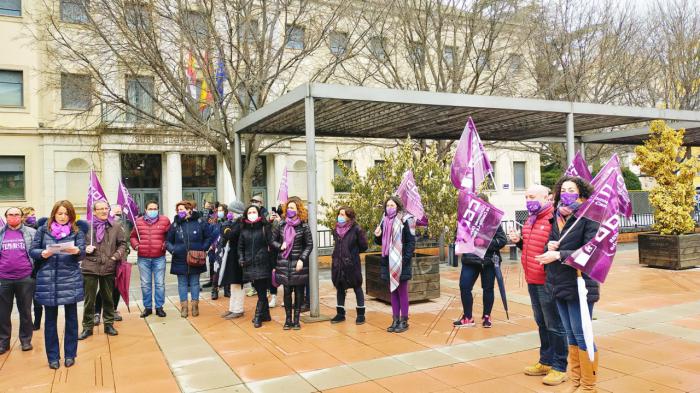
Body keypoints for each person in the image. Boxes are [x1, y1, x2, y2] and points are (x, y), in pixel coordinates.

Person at [535, 176, 600, 393]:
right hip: (558, 282)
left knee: (582, 334)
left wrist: (559, 254)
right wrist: (550, 245)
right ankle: (576, 382)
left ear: (581, 192)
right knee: (571, 335)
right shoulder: (558, 216)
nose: (566, 193)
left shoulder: (589, 217)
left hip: (580, 283)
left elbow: (592, 252)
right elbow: (551, 246)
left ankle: (589, 386)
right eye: (563, 189)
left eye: (571, 189)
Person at [509, 185, 568, 386]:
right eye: (526, 197)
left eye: (532, 196)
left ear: (547, 198)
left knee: (555, 325)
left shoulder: (555, 219)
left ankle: (559, 366)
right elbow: (530, 246)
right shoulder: (530, 219)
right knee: (542, 322)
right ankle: (546, 360)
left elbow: (558, 247)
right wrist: (519, 242)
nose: (528, 200)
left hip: (548, 281)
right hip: (532, 279)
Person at [30, 200, 85, 369]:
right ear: (54, 214)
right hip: (48, 280)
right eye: (60, 213)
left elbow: (82, 253)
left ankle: (70, 354)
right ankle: (53, 357)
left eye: (66, 213)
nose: (62, 217)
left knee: (71, 319)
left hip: (70, 279)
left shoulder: (77, 231)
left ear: (71, 215)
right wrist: (43, 253)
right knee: (50, 321)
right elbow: (32, 250)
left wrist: (77, 251)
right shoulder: (42, 230)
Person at [452, 193, 507, 329]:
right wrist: (463, 240)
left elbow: (502, 240)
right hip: (470, 260)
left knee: (488, 289)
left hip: (488, 261)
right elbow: (458, 237)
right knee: (464, 286)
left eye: (482, 203)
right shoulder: (466, 220)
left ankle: (486, 316)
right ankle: (468, 317)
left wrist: (485, 242)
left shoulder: (494, 220)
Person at [78, 201, 127, 340]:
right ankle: (87, 327)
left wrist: (115, 257)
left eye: (106, 208)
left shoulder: (115, 225)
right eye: (100, 209)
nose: (104, 211)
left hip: (109, 266)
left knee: (108, 298)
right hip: (90, 267)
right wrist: (85, 248)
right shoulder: (86, 226)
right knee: (89, 300)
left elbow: (123, 244)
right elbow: (79, 243)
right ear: (94, 212)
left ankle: (109, 324)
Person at [374, 196, 416, 333]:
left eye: (392, 205)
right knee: (393, 291)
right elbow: (380, 242)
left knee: (402, 291)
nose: (389, 207)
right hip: (388, 260)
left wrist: (405, 258)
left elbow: (411, 242)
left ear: (397, 206)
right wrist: (377, 235)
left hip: (400, 261)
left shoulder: (405, 220)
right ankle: (395, 319)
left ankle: (404, 321)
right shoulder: (384, 221)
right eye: (387, 205)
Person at [271, 196, 313, 330]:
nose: (290, 210)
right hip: (284, 264)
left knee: (299, 293)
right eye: (288, 207)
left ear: (298, 209)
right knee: (287, 292)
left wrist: (302, 259)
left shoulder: (304, 226)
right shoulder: (281, 224)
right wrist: (280, 245)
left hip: (298, 264)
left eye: (292, 208)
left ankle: (296, 320)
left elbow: (309, 245)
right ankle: (288, 320)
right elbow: (272, 241)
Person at [0, 207, 37, 354]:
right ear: (6, 217)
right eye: (10, 215)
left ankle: (26, 340)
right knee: (2, 313)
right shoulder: (1, 234)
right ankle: (3, 342)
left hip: (26, 278)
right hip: (4, 278)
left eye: (17, 215)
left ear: (22, 217)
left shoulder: (31, 233)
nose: (13, 217)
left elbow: (36, 253)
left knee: (26, 311)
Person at [166, 200, 212, 318]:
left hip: (196, 258)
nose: (180, 212)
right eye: (178, 210)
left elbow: (208, 237)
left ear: (189, 209)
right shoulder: (175, 224)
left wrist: (203, 248)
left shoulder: (200, 222)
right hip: (179, 258)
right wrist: (173, 250)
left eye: (182, 209)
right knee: (182, 284)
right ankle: (184, 307)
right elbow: (168, 241)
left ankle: (195, 306)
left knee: (195, 283)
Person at [131, 200, 171, 318]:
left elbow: (170, 236)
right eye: (150, 209)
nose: (153, 211)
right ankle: (147, 307)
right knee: (145, 284)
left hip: (159, 257)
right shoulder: (138, 221)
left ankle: (159, 307)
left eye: (155, 209)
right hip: (143, 258)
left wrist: (165, 245)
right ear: (145, 210)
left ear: (158, 210)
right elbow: (133, 236)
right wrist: (136, 246)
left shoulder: (165, 220)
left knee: (159, 284)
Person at [330, 206, 369, 325]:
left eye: (343, 214)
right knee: (340, 287)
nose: (340, 216)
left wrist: (352, 254)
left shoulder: (356, 229)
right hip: (338, 263)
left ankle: (361, 314)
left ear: (349, 216)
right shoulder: (335, 229)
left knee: (357, 286)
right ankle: (340, 313)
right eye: (339, 214)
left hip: (352, 264)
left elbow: (364, 246)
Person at [238, 204, 274, 328]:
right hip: (249, 264)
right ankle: (266, 315)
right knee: (260, 290)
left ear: (259, 213)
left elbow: (272, 242)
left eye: (254, 212)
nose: (252, 214)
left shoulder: (265, 227)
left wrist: (282, 245)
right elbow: (240, 247)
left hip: (263, 263)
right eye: (249, 212)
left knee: (261, 291)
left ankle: (258, 316)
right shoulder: (244, 230)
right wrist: (241, 259)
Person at [94, 205, 126, 324]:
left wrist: (118, 256)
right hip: (105, 261)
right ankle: (97, 312)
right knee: (104, 289)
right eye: (116, 213)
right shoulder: (104, 225)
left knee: (117, 287)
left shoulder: (120, 225)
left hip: (119, 260)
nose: (118, 216)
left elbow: (123, 243)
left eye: (120, 213)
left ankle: (113, 309)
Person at [219, 201, 246, 319]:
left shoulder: (240, 223)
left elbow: (230, 235)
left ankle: (238, 309)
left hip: (238, 257)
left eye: (231, 211)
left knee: (238, 284)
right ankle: (232, 308)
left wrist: (225, 227)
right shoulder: (235, 222)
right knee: (233, 284)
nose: (229, 213)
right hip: (232, 256)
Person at [21, 207, 42, 330]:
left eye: (34, 214)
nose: (33, 217)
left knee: (37, 299)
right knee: (25, 300)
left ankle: (37, 322)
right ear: (23, 216)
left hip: (36, 268)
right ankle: (27, 321)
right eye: (30, 215)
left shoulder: (38, 229)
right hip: (24, 269)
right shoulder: (20, 230)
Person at [208, 203, 228, 300]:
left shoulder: (229, 223)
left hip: (227, 250)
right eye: (218, 211)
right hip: (215, 251)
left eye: (221, 210)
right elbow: (209, 236)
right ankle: (214, 290)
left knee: (227, 268)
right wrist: (211, 245)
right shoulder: (214, 225)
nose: (219, 212)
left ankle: (227, 289)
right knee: (216, 270)